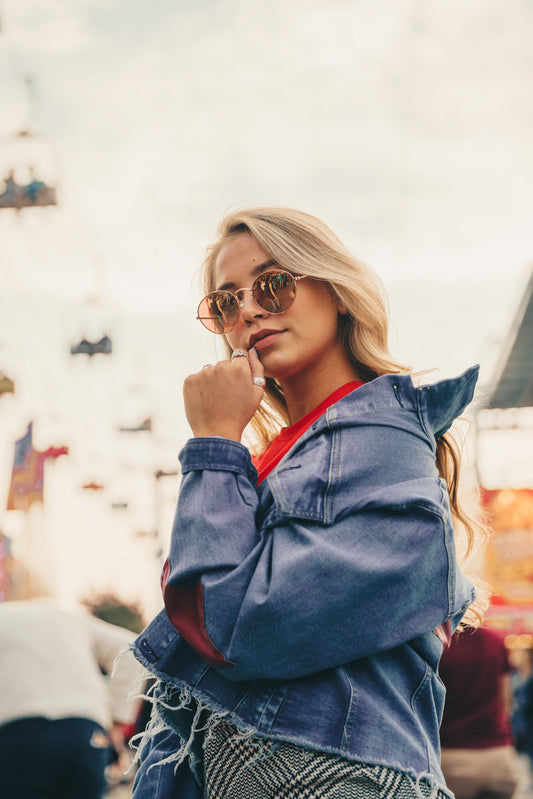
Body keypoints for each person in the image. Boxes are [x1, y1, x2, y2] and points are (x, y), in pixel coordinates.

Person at [130, 206, 488, 799]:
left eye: (273, 285)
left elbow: (232, 630)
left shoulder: (381, 446)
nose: (247, 310)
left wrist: (216, 445)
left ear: (337, 293)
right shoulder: (280, 460)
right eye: (226, 302)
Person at [0, 599, 143, 799]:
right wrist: (116, 725)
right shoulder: (69, 618)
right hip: (83, 734)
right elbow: (130, 650)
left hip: (18, 735)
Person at [439, 626, 519, 799]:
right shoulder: (494, 641)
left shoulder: (441, 645)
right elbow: (506, 699)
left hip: (452, 757)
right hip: (498, 757)